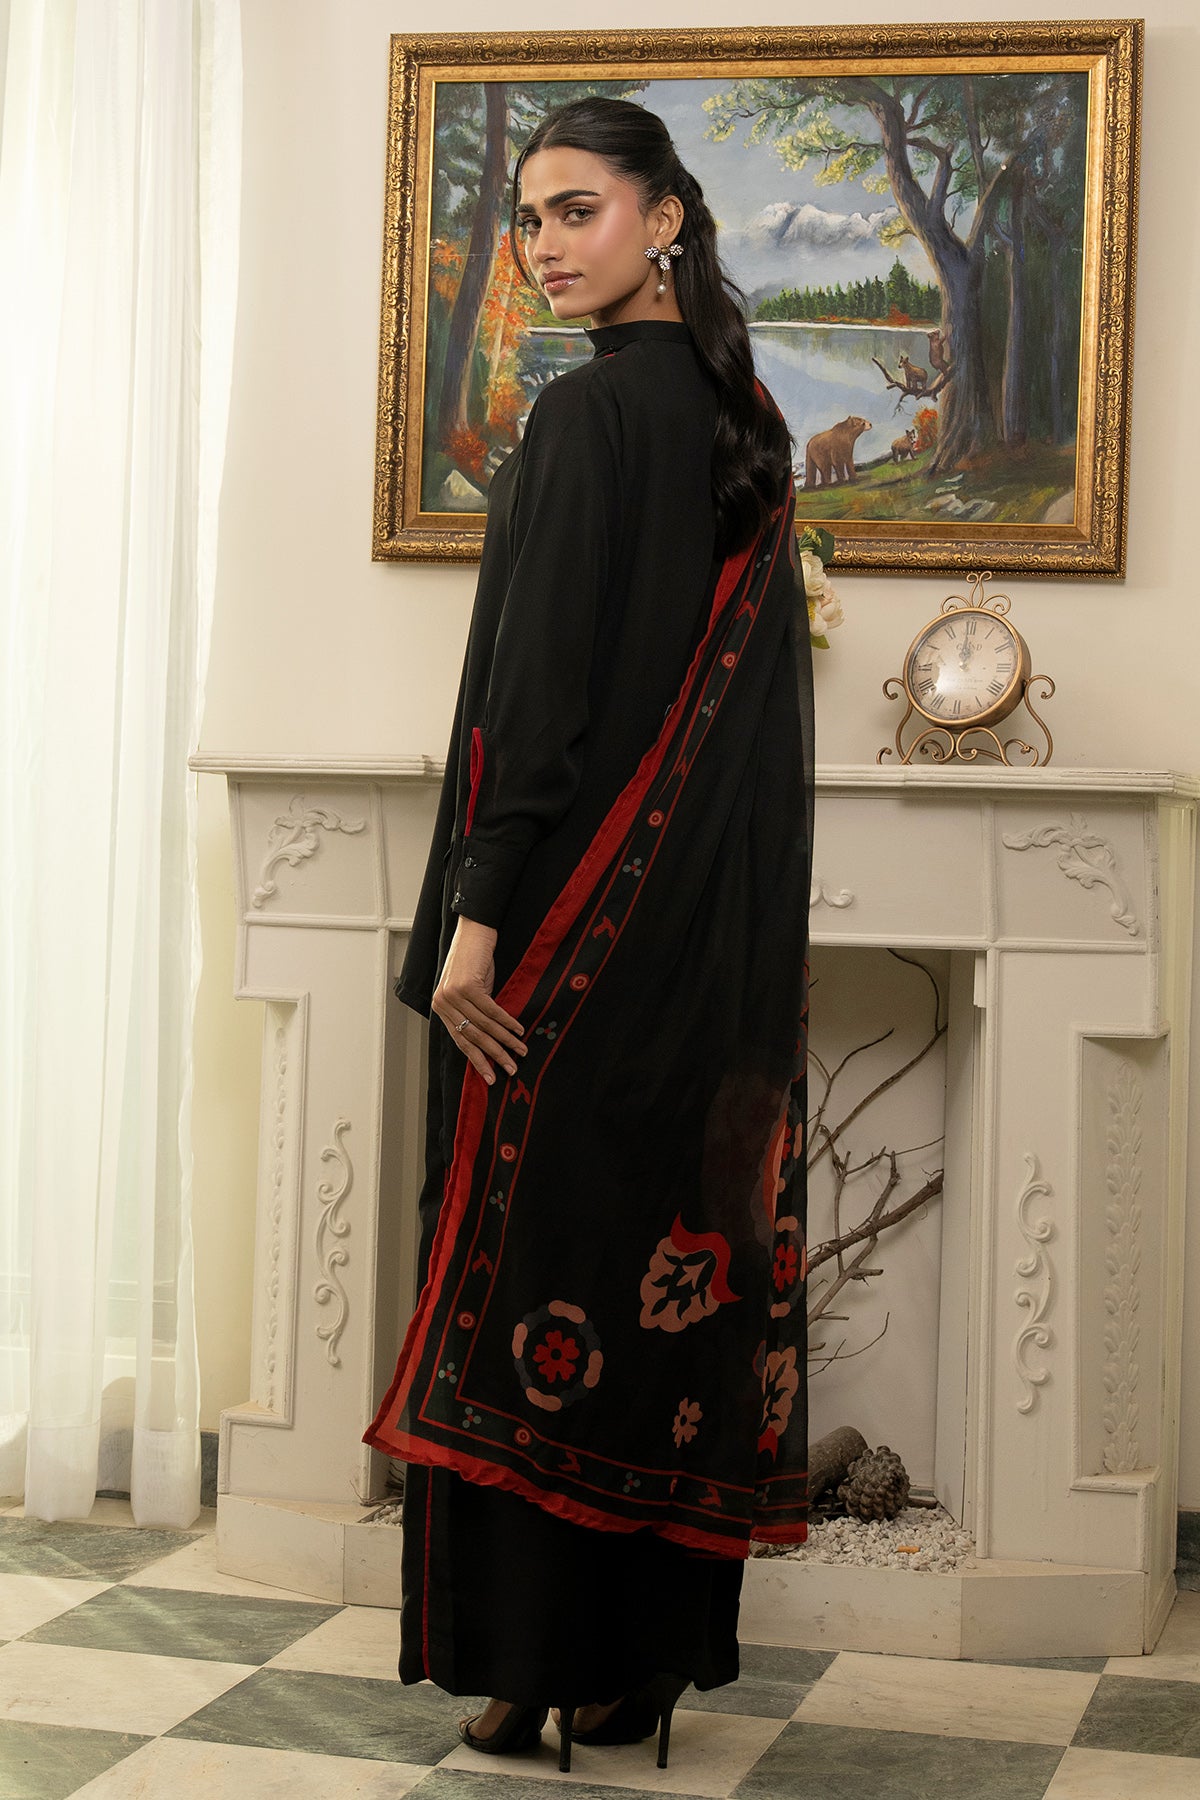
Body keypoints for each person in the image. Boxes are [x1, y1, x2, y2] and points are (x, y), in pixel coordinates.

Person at [365, 94, 813, 1776]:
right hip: (690, 961)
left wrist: (474, 926)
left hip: (555, 947)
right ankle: (639, 1672)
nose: (546, 245)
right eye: (530, 217)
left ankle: (527, 1674)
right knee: (654, 1290)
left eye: (579, 211)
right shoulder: (743, 421)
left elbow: (537, 706)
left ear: (663, 220)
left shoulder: (583, 419)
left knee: (527, 1284)